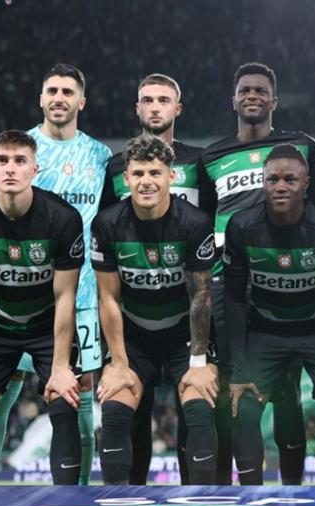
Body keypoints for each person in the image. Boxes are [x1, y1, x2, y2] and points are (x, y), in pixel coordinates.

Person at [0, 64, 111, 485]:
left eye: (68, 91)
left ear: (81, 101)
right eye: (52, 90)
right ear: (41, 98)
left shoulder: (99, 156)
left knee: (76, 405)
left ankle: (76, 497)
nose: (59, 97)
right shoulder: (20, 152)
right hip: (13, 297)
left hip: (77, 300)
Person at [200, 62, 315, 484]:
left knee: (288, 389)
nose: (252, 96)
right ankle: (226, 494)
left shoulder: (301, 145)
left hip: (284, 281)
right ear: (233, 100)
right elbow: (201, 219)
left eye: (260, 90)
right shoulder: (211, 156)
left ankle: (293, 491)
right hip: (225, 284)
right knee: (227, 390)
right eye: (244, 90)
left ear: (274, 100)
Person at [0, 130, 84, 485]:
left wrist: (59, 367)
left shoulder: (62, 218)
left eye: (20, 161)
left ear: (35, 169)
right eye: (3, 161)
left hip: (46, 325)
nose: (11, 169)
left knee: (63, 401)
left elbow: (65, 296)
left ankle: (67, 505)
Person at [224, 143, 315, 485]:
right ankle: (248, 498)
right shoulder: (241, 226)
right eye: (272, 180)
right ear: (262, 182)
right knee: (243, 405)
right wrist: (238, 369)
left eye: (290, 179)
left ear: (307, 183)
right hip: (267, 330)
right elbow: (235, 300)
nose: (280, 186)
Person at [91, 135, 218, 485]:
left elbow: (201, 295)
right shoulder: (106, 224)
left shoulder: (194, 222)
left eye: (155, 172)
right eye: (138, 173)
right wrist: (117, 363)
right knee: (115, 412)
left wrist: (198, 362)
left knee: (200, 408)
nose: (146, 181)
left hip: (182, 335)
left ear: (171, 177)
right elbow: (109, 299)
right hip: (134, 335)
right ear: (126, 179)